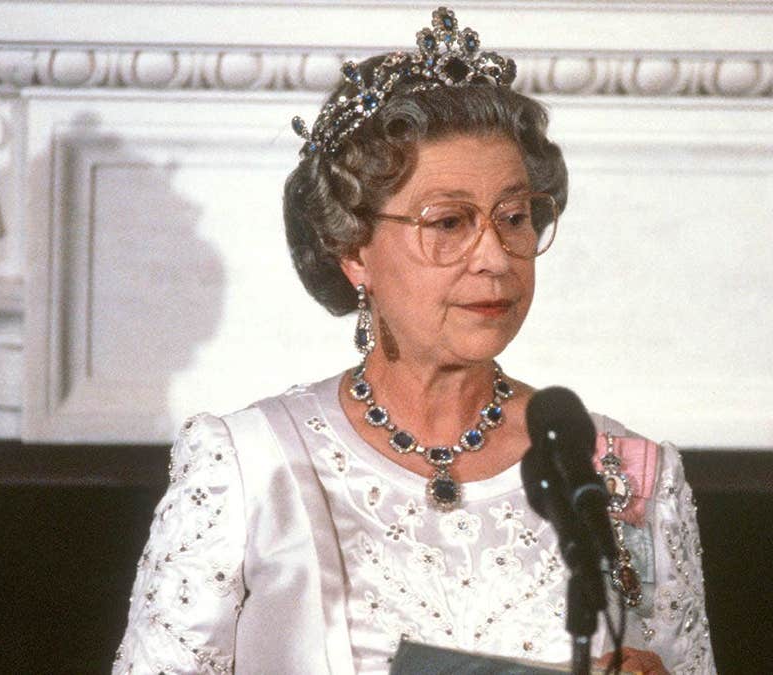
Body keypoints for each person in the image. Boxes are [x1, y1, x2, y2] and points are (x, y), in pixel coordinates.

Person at [114, 7, 713, 674]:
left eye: (514, 217)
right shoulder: (248, 469)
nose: (494, 255)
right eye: (449, 221)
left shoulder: (621, 473)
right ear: (352, 249)